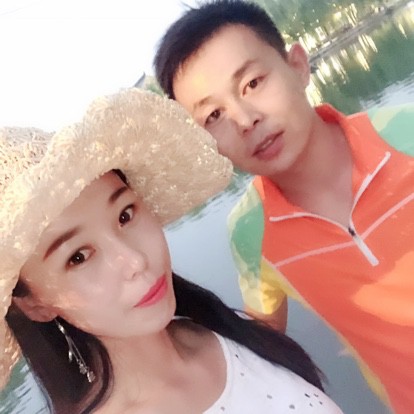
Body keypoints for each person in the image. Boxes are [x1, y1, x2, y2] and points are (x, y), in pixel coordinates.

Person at [0, 88, 344, 414]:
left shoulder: (227, 328)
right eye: (78, 257)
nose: (135, 261)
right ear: (35, 304)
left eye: (125, 215)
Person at [154, 1, 414, 413]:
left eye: (253, 83)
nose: (244, 119)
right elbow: (259, 344)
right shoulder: (251, 234)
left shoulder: (406, 136)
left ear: (297, 66)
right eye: (214, 115)